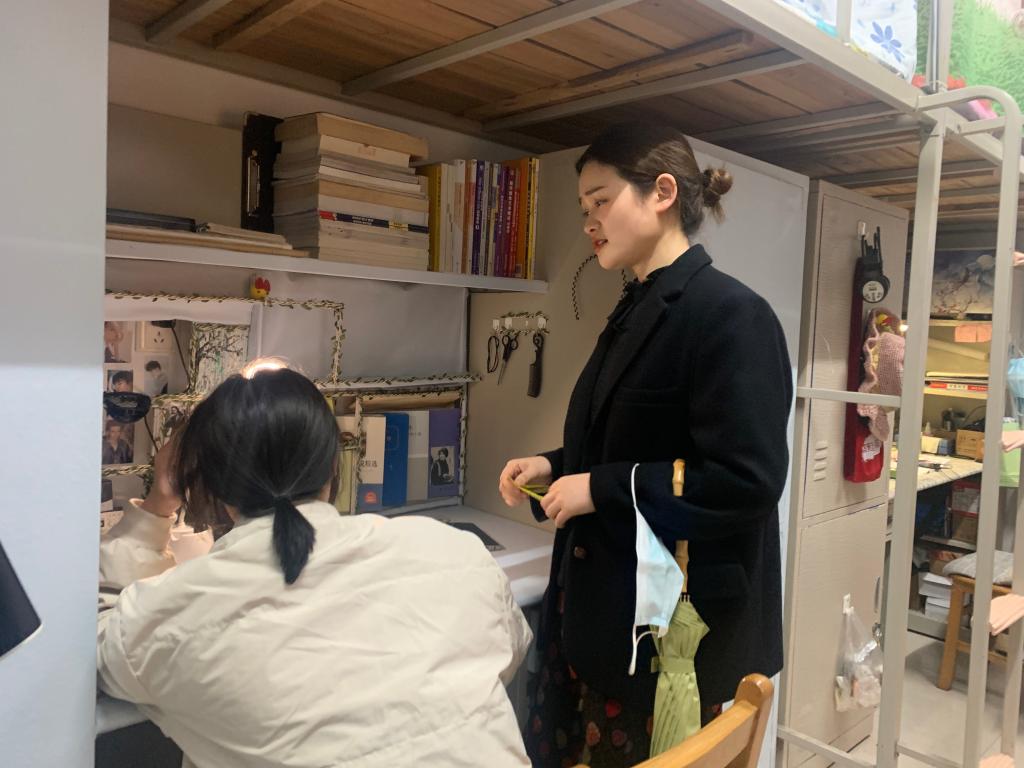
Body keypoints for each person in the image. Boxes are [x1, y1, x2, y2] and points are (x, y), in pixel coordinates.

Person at [498, 123, 793, 767]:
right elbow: (623, 443)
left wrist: (598, 488)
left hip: (665, 642)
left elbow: (746, 479)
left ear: (662, 192)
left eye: (601, 201)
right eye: (584, 207)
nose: (589, 221)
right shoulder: (635, 305)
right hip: (598, 621)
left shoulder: (730, 314)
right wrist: (552, 466)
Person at [98, 362, 532, 768]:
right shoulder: (458, 553)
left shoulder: (177, 613)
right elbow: (510, 650)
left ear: (209, 481)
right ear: (334, 463)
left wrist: (159, 502)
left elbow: (101, 648)